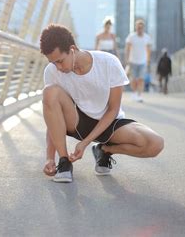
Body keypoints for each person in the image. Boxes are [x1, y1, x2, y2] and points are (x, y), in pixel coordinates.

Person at [40, 24, 164, 183]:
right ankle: (64, 163)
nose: (57, 67)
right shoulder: (52, 71)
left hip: (110, 123)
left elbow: (113, 109)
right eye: (53, 62)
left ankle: (104, 150)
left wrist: (85, 143)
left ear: (72, 49)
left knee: (155, 144)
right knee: (49, 92)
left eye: (60, 61)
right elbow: (52, 116)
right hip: (77, 121)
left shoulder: (108, 62)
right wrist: (49, 158)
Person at [125, 19, 152, 102]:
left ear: (143, 28)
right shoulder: (131, 37)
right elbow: (128, 48)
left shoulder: (147, 37)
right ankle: (134, 93)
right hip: (133, 61)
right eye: (138, 27)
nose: (139, 29)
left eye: (141, 27)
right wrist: (127, 59)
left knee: (141, 79)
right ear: (136, 27)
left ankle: (139, 95)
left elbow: (148, 49)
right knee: (134, 79)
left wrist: (148, 60)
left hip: (142, 62)